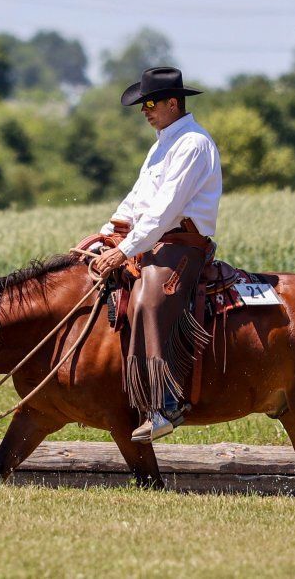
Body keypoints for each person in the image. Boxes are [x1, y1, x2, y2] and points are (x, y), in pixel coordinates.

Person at [90, 66, 222, 443]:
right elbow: (137, 200)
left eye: (149, 103)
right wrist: (107, 233)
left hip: (181, 245)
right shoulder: (163, 143)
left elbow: (165, 211)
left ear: (172, 103)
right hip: (155, 240)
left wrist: (125, 250)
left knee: (149, 299)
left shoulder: (193, 144)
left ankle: (165, 403)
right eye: (142, 104)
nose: (144, 110)